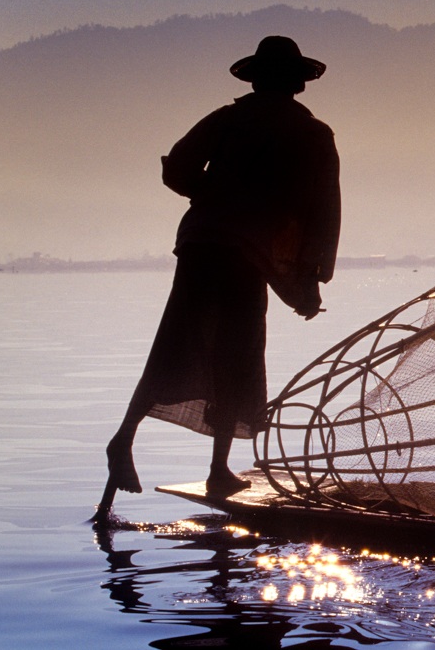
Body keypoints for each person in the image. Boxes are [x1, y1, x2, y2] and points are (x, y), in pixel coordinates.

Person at [97, 36, 341, 517]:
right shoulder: (312, 134)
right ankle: (217, 469)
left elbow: (179, 170)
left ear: (254, 79)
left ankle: (126, 439)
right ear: (296, 83)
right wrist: (311, 279)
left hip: (203, 245)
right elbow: (322, 211)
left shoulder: (227, 119)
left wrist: (213, 196)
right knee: (239, 356)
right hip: (248, 256)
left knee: (173, 346)